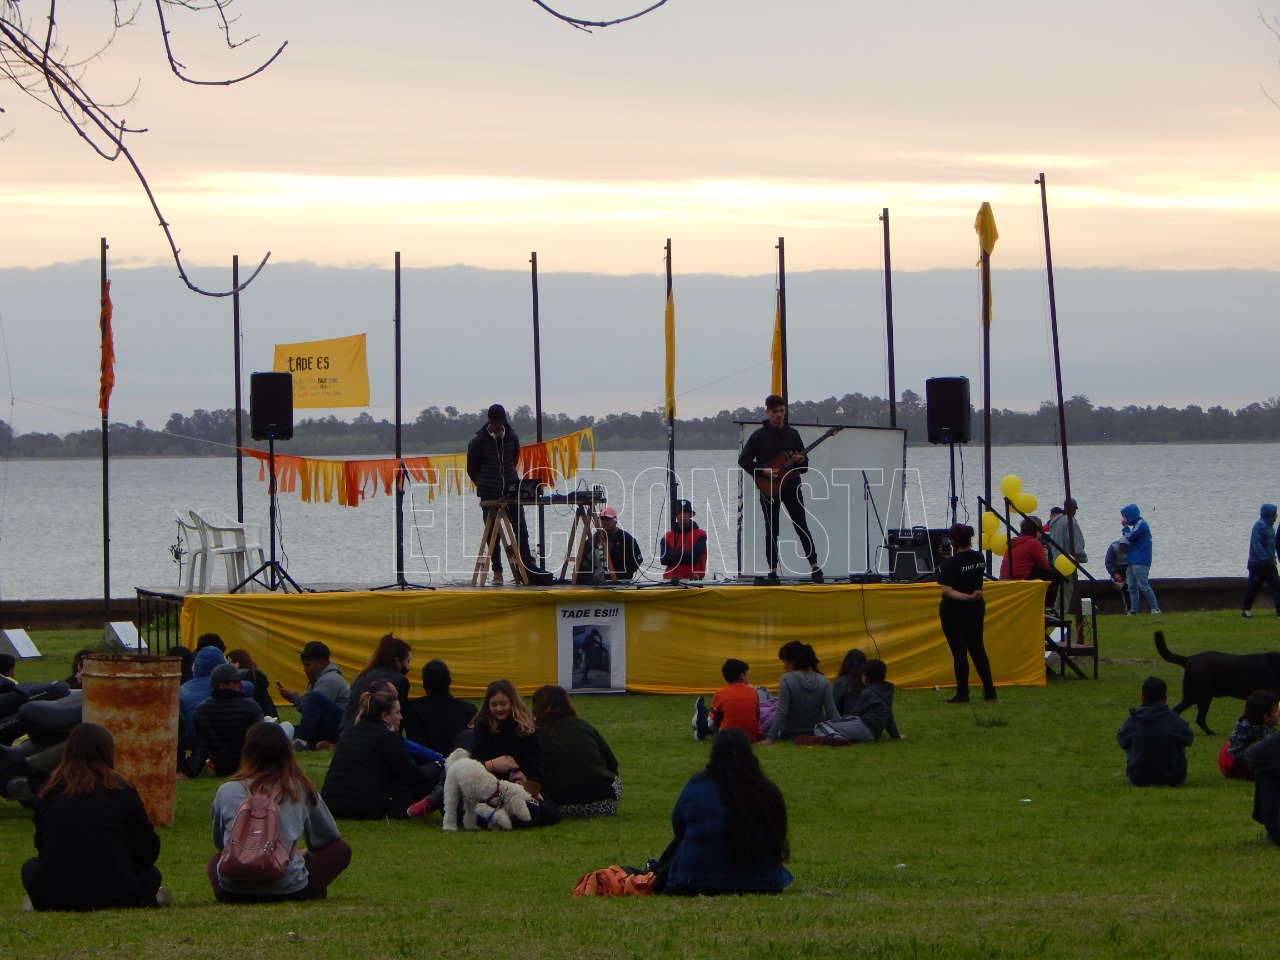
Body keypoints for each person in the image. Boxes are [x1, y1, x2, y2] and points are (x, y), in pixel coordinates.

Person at [22, 723, 167, 911]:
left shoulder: (48, 793)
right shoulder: (122, 791)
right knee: (152, 874)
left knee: (30, 867)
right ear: (107, 752)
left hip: (53, 896)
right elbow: (147, 851)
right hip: (118, 894)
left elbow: (43, 847)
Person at [208, 721, 352, 901]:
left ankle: (235, 888)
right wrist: (301, 853)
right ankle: (310, 888)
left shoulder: (227, 790)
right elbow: (328, 838)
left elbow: (221, 844)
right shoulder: (299, 788)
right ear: (286, 752)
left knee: (215, 860)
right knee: (342, 849)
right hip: (289, 888)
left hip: (233, 889)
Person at [653, 728, 792, 896]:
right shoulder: (768, 792)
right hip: (763, 882)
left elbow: (679, 829)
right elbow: (777, 835)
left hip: (695, 881)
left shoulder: (697, 788)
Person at [737, 395, 823, 583]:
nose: (779, 415)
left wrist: (802, 460)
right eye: (775, 412)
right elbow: (743, 460)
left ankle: (815, 567)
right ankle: (773, 570)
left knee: (801, 525)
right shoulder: (759, 436)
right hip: (768, 489)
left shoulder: (793, 434)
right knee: (772, 529)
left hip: (792, 487)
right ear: (767, 412)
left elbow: (804, 468)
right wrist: (763, 471)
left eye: (782, 411)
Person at [321, 689, 439, 820]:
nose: (401, 717)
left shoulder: (348, 733)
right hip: (364, 808)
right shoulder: (388, 738)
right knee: (419, 783)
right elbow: (412, 774)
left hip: (331, 805)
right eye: (398, 712)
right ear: (385, 717)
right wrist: (435, 766)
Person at [463, 679, 558, 826]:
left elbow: (535, 760)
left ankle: (501, 817)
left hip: (519, 788)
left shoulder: (526, 728)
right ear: (488, 706)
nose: (499, 709)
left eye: (503, 704)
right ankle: (497, 815)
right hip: (490, 789)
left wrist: (528, 784)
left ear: (512, 702)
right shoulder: (483, 726)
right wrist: (493, 765)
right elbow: (475, 764)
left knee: (549, 813)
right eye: (494, 705)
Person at [466, 402, 539, 585]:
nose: (499, 427)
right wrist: (485, 484)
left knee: (520, 529)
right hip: (489, 492)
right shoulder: (477, 442)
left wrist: (509, 482)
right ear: (489, 421)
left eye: (501, 423)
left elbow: (513, 460)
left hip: (511, 490)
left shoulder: (511, 437)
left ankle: (527, 569)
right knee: (493, 534)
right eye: (496, 423)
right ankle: (497, 572)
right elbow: (472, 469)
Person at [531, 684, 621, 818]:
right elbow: (612, 764)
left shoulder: (533, 734)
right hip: (604, 803)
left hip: (560, 805)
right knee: (616, 781)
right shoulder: (583, 725)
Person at [937, 522, 997, 703]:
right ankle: (989, 690)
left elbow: (947, 591)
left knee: (959, 652)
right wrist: (972, 597)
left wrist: (966, 596)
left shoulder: (951, 564)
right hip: (976, 608)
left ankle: (962, 692)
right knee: (978, 649)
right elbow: (966, 571)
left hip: (954, 610)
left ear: (953, 541)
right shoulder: (979, 558)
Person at [182, 662, 264, 779]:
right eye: (236, 681)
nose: (241, 685)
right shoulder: (251, 707)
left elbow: (202, 746)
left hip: (224, 770)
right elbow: (265, 740)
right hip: (252, 768)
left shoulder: (202, 710)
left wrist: (191, 773)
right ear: (223, 685)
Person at [276, 640, 350, 751]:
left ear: (321, 663)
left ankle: (304, 740)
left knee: (313, 697)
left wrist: (293, 697)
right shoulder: (318, 678)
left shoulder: (330, 679)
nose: (304, 669)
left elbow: (310, 708)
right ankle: (318, 744)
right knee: (287, 730)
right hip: (332, 726)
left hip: (342, 727)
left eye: (307, 665)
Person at [763, 641, 837, 742]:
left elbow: (781, 712)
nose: (783, 666)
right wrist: (844, 731)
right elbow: (832, 712)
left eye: (784, 662)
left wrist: (769, 738)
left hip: (790, 734)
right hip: (816, 732)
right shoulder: (823, 680)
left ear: (792, 663)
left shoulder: (786, 679)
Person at [814, 658, 902, 742]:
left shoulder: (867, 692)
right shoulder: (886, 693)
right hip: (874, 734)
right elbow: (889, 717)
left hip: (863, 726)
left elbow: (854, 714)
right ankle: (840, 736)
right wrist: (895, 735)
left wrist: (842, 722)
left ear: (865, 678)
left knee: (820, 726)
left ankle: (837, 739)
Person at [339, 633, 412, 734]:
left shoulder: (361, 675)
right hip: (369, 735)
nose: (408, 667)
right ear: (397, 661)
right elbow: (398, 719)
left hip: (345, 733)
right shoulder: (400, 681)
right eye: (408, 662)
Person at [403, 659, 477, 756]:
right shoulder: (469, 709)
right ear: (449, 681)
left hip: (432, 765)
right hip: (462, 766)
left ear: (425, 684)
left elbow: (417, 747)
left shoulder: (413, 709)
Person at [999, 515, 1059, 610]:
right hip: (1021, 576)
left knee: (1041, 572)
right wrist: (1044, 555)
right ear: (1036, 530)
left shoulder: (1015, 542)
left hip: (1006, 576)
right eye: (1040, 529)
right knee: (1055, 574)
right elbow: (1045, 566)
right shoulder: (1034, 543)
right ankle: (1048, 606)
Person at [574, 505, 644, 584]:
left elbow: (638, 560)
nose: (605, 522)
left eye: (608, 519)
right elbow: (583, 560)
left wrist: (624, 573)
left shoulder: (626, 538)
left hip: (621, 581)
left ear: (615, 520)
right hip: (598, 581)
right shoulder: (595, 538)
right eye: (603, 519)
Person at [1220, 690, 1280, 780]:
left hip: (1227, 759)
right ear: (1266, 717)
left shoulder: (1245, 723)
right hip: (1241, 765)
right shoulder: (1264, 733)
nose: (1279, 713)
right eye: (1275, 711)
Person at [705, 658, 762, 743]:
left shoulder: (720, 693)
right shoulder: (753, 691)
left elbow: (712, 719)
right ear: (743, 675)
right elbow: (757, 716)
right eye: (748, 674)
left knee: (711, 717)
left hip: (727, 738)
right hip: (752, 736)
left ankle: (699, 723)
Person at [1045, 499, 1086, 617]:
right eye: (1075, 509)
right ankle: (1060, 611)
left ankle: (1056, 608)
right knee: (1067, 586)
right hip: (1068, 559)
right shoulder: (1070, 521)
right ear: (1072, 508)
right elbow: (1074, 541)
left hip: (1056, 559)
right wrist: (1082, 556)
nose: (1075, 512)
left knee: (1061, 585)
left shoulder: (1054, 522)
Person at [1121, 503, 1161, 615]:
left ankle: (1155, 608)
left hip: (1141, 561)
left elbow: (1129, 537)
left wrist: (1124, 527)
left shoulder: (1141, 525)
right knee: (1132, 587)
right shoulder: (1135, 526)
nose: (1124, 519)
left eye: (1125, 516)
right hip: (1132, 560)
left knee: (1143, 586)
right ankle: (1133, 610)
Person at [1242, 503, 1280, 618]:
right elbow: (1256, 543)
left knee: (1276, 587)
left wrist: (1272, 558)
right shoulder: (1259, 525)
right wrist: (1264, 557)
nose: (1276, 516)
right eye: (1274, 514)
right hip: (1258, 564)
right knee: (1253, 587)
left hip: (1270, 564)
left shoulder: (1269, 526)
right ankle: (1246, 610)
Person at [658, 498, 707, 581]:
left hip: (693, 581)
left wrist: (673, 554)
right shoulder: (667, 536)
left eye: (685, 512)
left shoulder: (700, 534)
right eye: (679, 513)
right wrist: (685, 554)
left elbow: (694, 558)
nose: (682, 516)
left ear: (690, 515)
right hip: (669, 580)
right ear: (676, 516)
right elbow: (664, 560)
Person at [226, 647, 278, 719]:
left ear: (242, 662)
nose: (229, 665)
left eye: (233, 662)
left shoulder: (246, 680)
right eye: (228, 662)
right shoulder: (256, 676)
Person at [831, 648, 868, 715]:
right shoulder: (868, 681)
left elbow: (834, 708)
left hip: (845, 723)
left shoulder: (840, 681)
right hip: (865, 723)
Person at [1103, 537, 1131, 613]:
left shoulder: (1133, 548)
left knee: (1129, 587)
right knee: (1120, 586)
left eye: (1126, 546)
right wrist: (1115, 573)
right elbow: (1108, 562)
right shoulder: (1113, 547)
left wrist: (1129, 575)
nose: (1124, 548)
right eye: (1123, 546)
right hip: (1117, 569)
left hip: (1128, 568)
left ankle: (1130, 608)